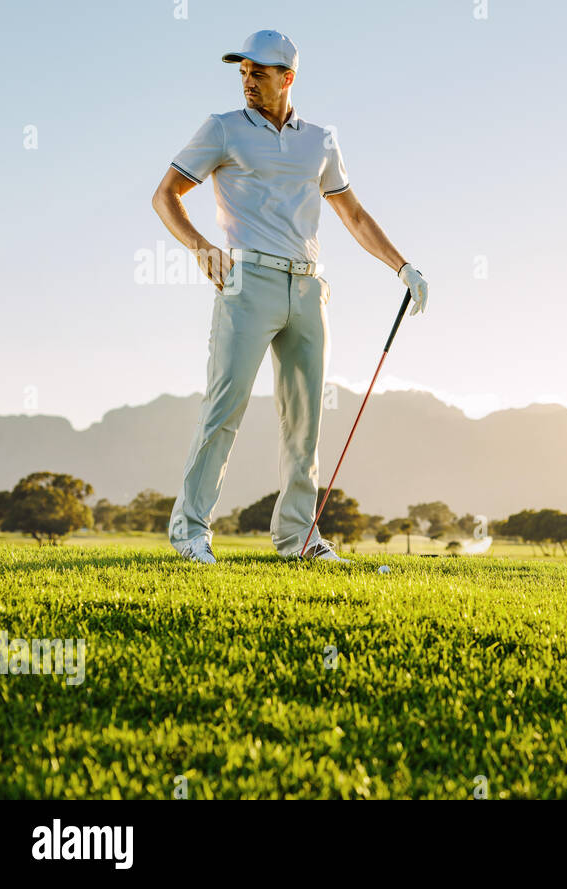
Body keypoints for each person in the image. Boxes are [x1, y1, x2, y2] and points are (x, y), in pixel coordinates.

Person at [152, 30, 428, 564]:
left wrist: (402, 266)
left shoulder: (320, 140)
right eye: (243, 73)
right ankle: (190, 532)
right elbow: (166, 194)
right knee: (223, 410)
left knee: (305, 421)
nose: (248, 81)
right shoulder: (222, 128)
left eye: (258, 72)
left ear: (288, 77)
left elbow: (352, 213)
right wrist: (199, 247)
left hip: (308, 286)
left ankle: (298, 539)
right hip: (246, 281)